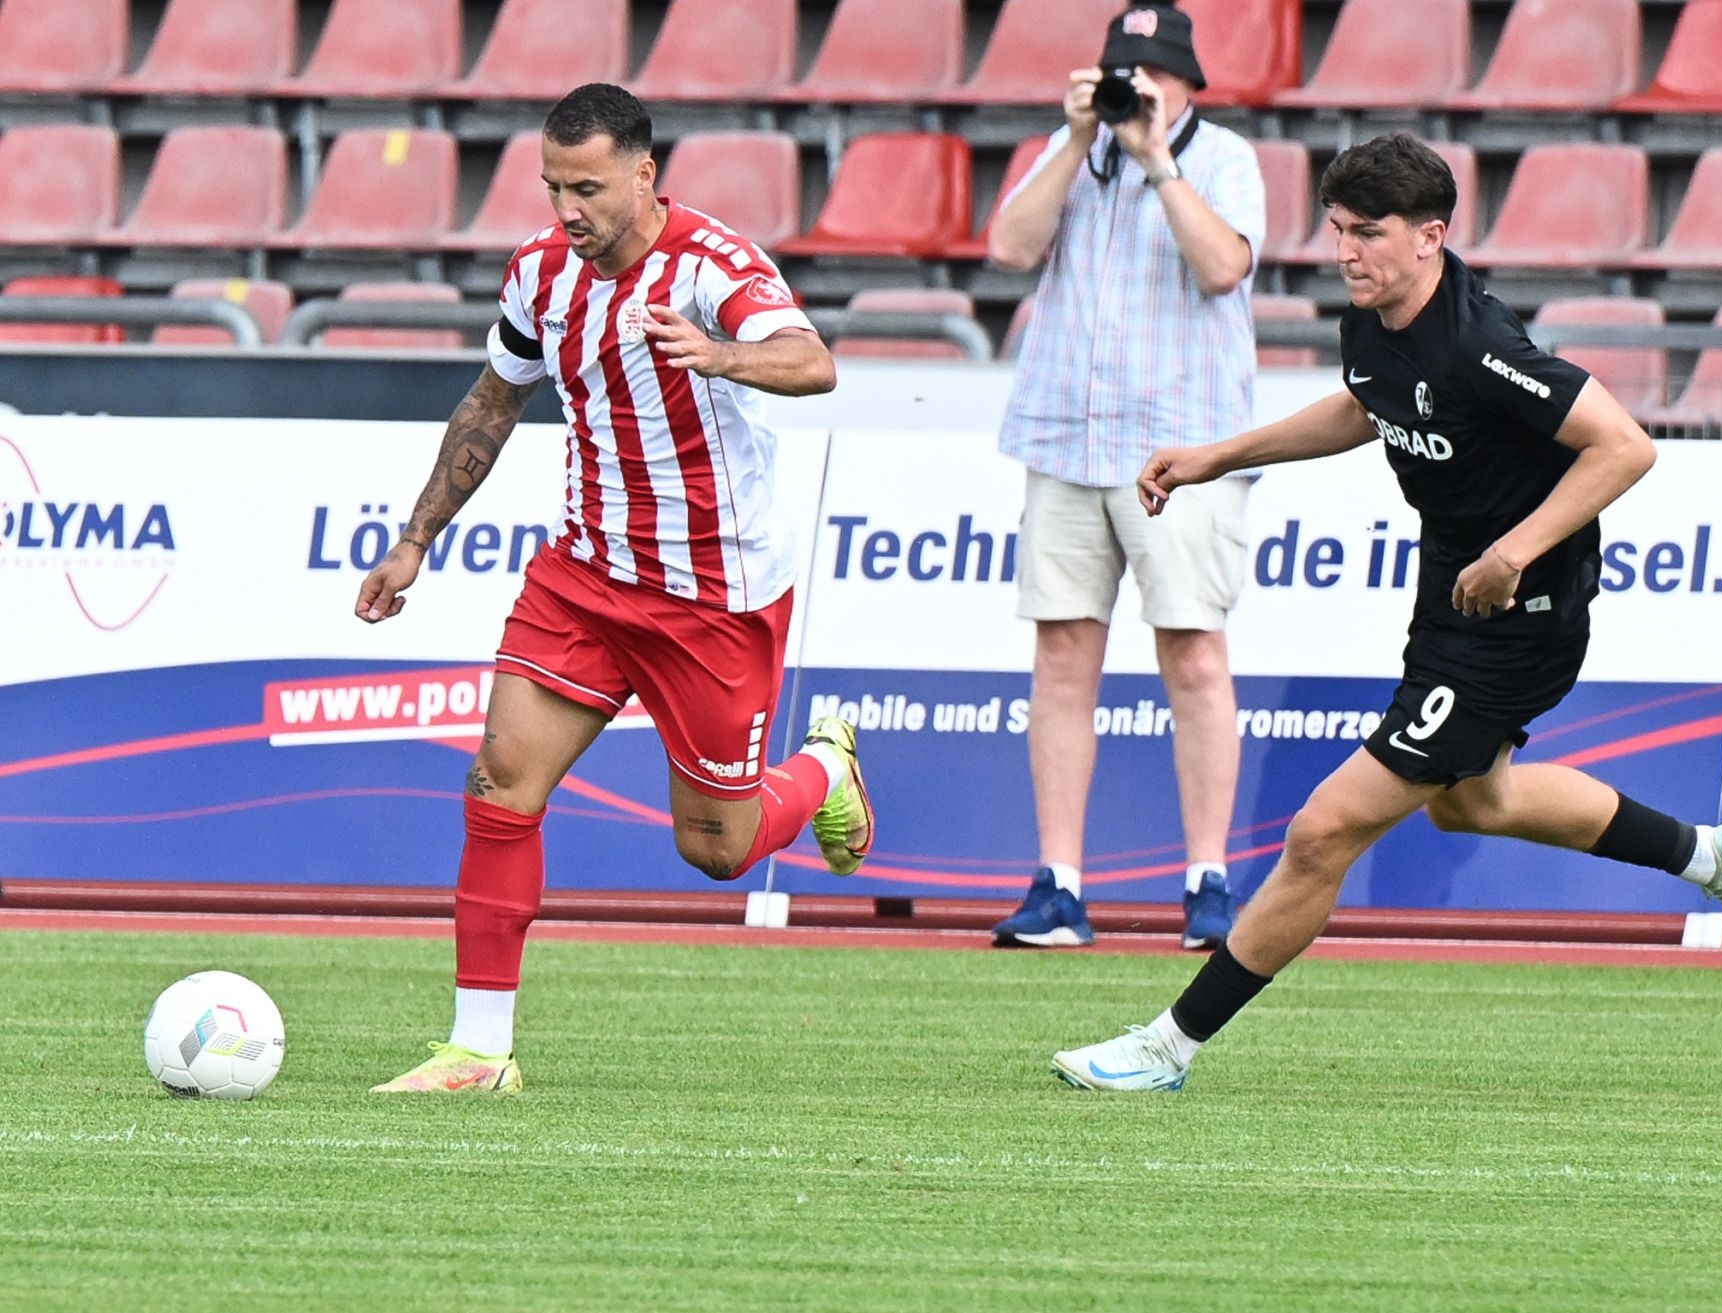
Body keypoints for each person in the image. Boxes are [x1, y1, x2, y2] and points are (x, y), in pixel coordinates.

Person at [1050, 133, 1722, 1092]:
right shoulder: (1375, 320)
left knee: (1321, 832)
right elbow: (1368, 406)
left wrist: (1513, 552)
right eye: (1337, 230)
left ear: (1431, 236)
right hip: (1454, 597)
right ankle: (1712, 856)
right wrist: (1218, 455)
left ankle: (1165, 1048)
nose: (1344, 251)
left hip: (1520, 614)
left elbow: (1625, 446)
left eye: (1368, 233)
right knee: (1475, 801)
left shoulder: (1482, 347)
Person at [355, 84, 873, 1095]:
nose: (567, 209)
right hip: (586, 576)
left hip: (711, 595)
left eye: (586, 188)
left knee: (717, 849)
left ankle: (823, 769)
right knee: (500, 782)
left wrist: (720, 354)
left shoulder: (712, 265)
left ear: (644, 173)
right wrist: (415, 539)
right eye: (553, 187)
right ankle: (479, 1051)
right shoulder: (539, 273)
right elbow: (493, 401)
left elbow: (813, 362)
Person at [985, 3, 1265, 952]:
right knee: (1062, 656)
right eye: (1122, 73)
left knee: (1195, 654)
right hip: (1068, 433)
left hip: (1185, 446)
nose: (1137, 88)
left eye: (1154, 74)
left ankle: (1207, 880)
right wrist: (1076, 142)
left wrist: (1157, 160)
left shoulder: (1223, 158)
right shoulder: (1070, 152)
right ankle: (1058, 883)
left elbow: (1223, 267)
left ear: (1187, 83)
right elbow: (1009, 248)